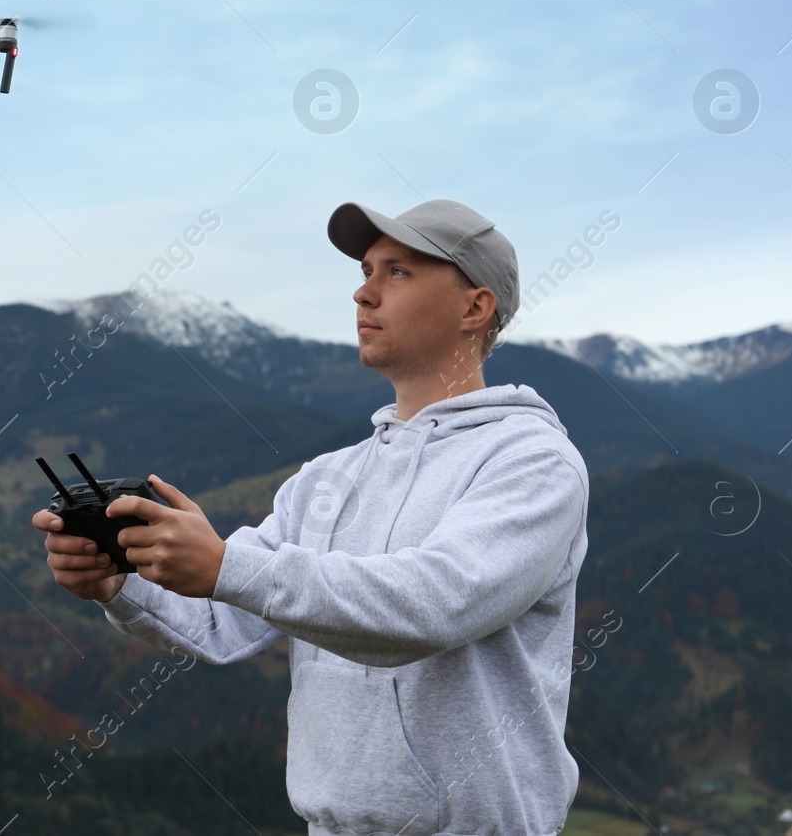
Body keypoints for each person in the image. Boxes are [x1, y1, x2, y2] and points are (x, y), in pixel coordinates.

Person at [32, 199, 590, 836]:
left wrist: (225, 564)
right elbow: (224, 619)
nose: (363, 292)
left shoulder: (533, 461)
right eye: (365, 270)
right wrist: (120, 582)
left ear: (475, 307)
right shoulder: (327, 479)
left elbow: (435, 605)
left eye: (398, 272)